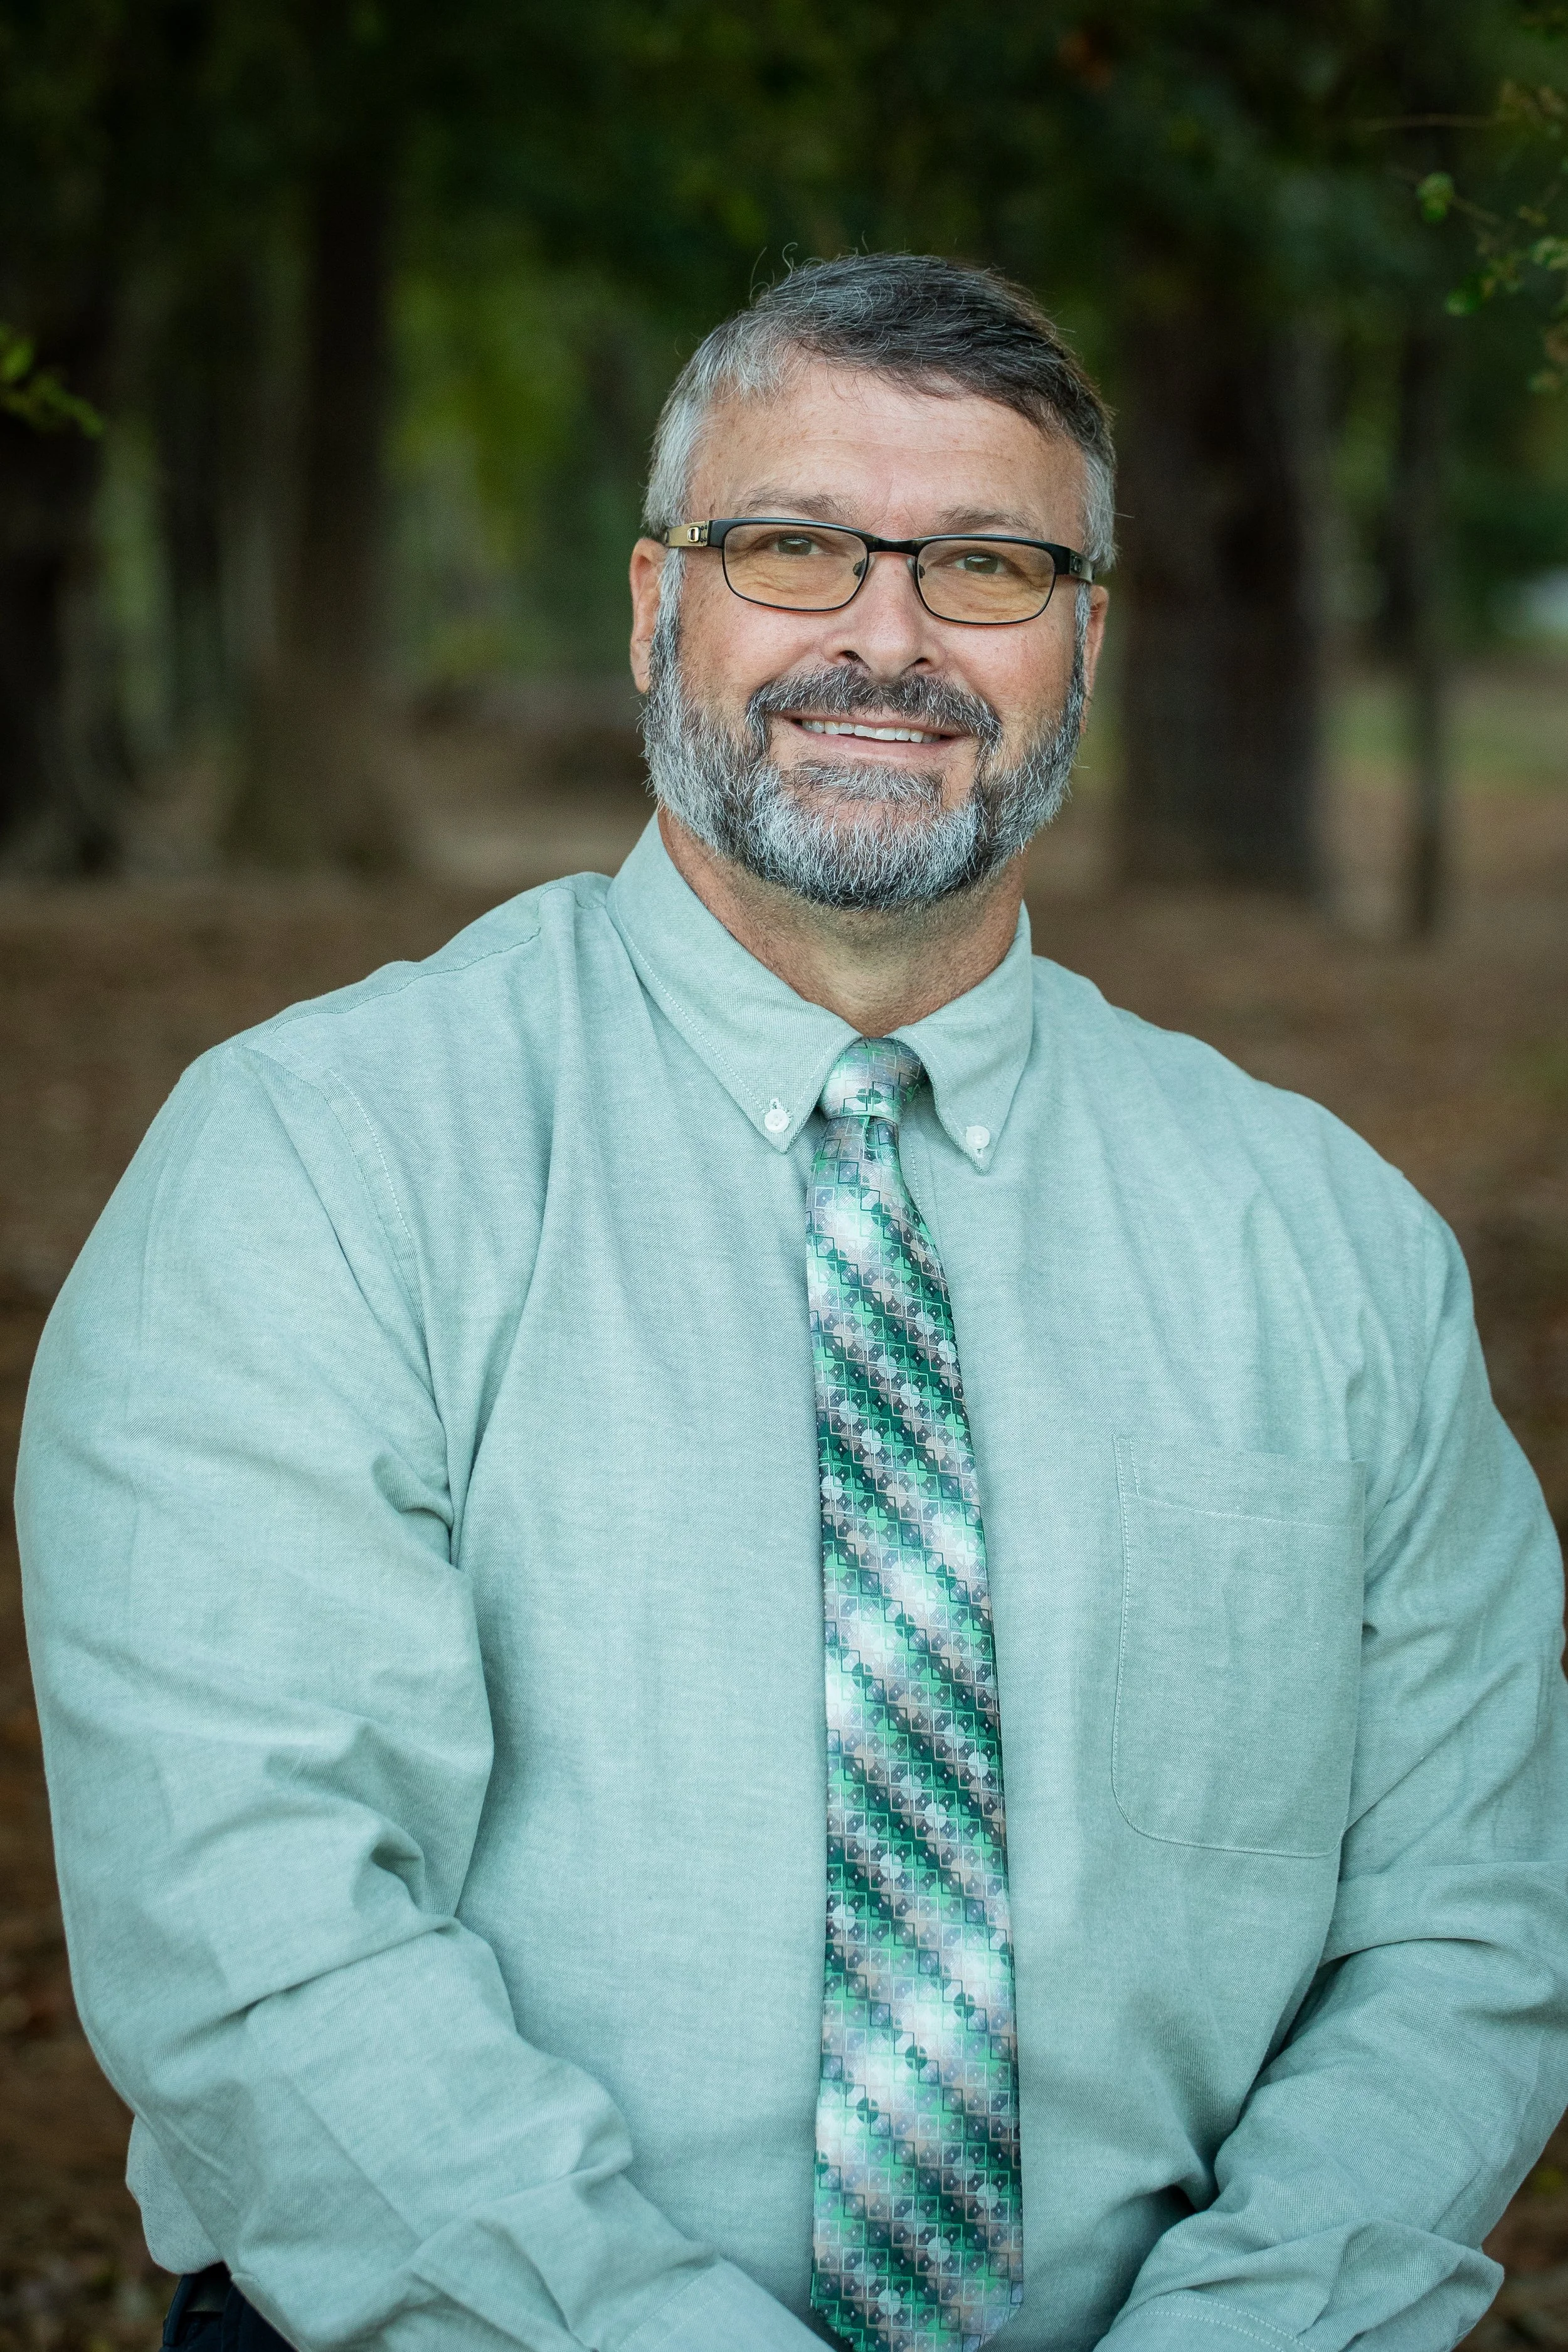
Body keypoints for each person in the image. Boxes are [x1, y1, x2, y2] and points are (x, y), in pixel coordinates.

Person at [17, 252, 1568, 2352]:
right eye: (792, 543)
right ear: (659, 602)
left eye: (989, 566)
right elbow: (262, 1944)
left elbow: (1469, 1920)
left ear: (1085, 640)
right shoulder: (317, 1164)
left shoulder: (1326, 1238)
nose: (886, 635)